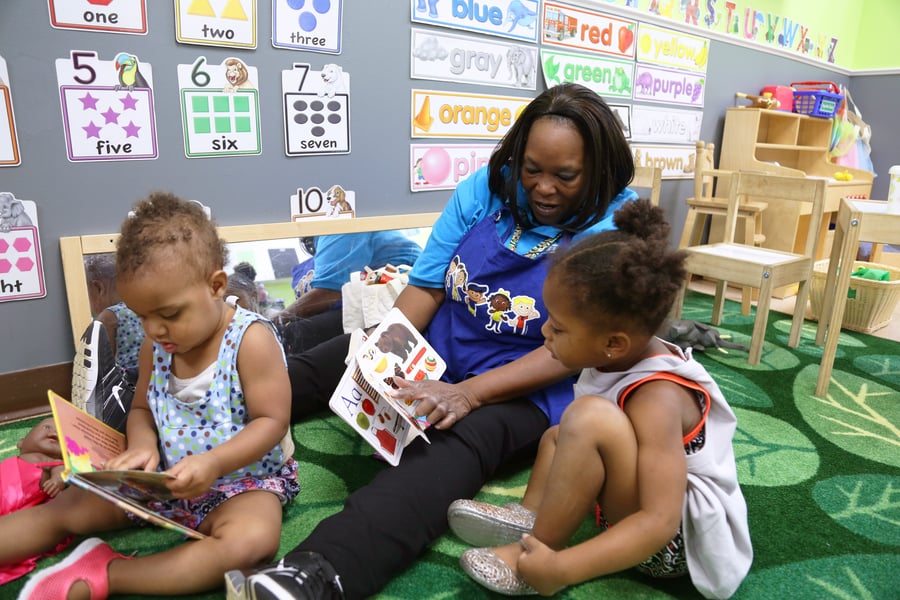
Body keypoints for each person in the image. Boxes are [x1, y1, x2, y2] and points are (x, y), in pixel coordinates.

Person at [226, 82, 639, 600]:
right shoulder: (486, 188)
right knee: (325, 363)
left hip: (531, 383)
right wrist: (379, 355)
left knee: (450, 454)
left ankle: (320, 572)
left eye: (565, 176)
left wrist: (468, 394)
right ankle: (173, 421)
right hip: (445, 341)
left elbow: (564, 349)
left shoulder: (614, 226)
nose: (542, 188)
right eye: (531, 169)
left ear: (597, 170)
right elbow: (425, 286)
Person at [448, 200, 752, 598]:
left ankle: (539, 549)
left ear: (613, 343)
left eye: (558, 328)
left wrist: (564, 569)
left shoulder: (657, 396)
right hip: (647, 512)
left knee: (588, 419)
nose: (544, 332)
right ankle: (531, 516)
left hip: (673, 548)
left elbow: (659, 521)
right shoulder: (619, 355)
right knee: (559, 435)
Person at [2, 192, 299, 599]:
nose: (155, 330)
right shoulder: (155, 345)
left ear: (215, 286)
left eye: (169, 314)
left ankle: (104, 574)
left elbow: (272, 421)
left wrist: (213, 463)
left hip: (242, 482)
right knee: (69, 508)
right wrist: (143, 446)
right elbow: (141, 408)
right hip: (160, 482)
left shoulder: (252, 340)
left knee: (252, 543)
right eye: (142, 316)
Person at [276, 231, 423, 356]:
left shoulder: (340, 227)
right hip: (377, 297)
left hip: (400, 295)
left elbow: (329, 292)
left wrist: (278, 319)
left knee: (297, 333)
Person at [0, 418, 69, 585]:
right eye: (46, 427)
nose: (53, 432)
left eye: (62, 433)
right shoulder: (16, 459)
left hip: (18, 501)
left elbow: (63, 473)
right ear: (21, 442)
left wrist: (58, 480)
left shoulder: (55, 464)